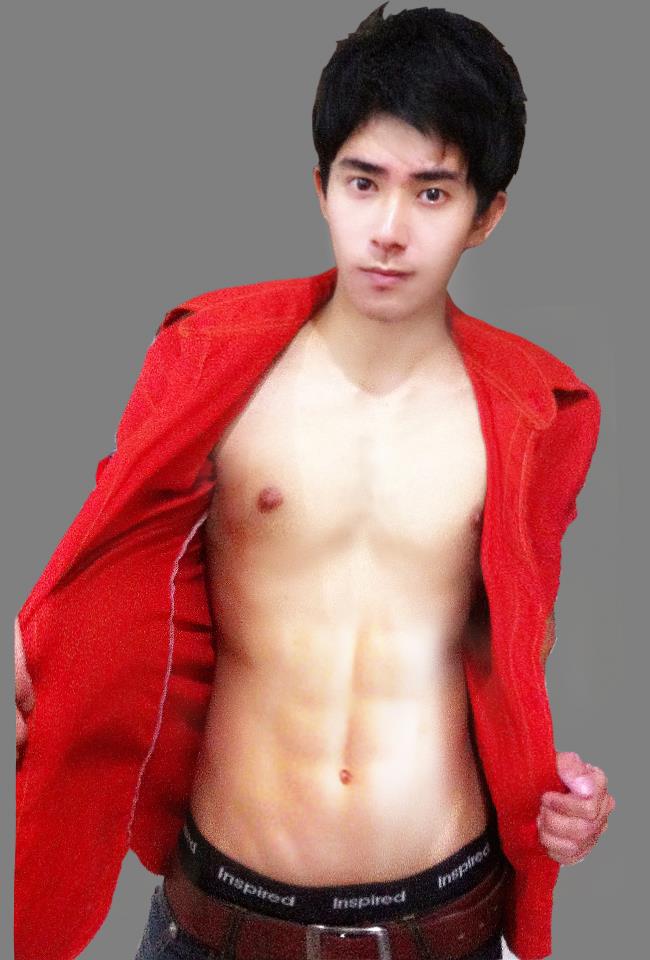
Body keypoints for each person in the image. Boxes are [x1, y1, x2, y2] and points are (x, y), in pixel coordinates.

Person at [14, 5, 615, 959]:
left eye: (431, 193)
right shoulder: (211, 366)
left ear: (487, 216)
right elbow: (108, 567)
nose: (389, 230)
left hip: (443, 920)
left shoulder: (537, 414)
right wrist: (34, 649)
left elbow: (507, 656)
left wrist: (560, 795)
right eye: (363, 182)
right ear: (321, 188)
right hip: (218, 918)